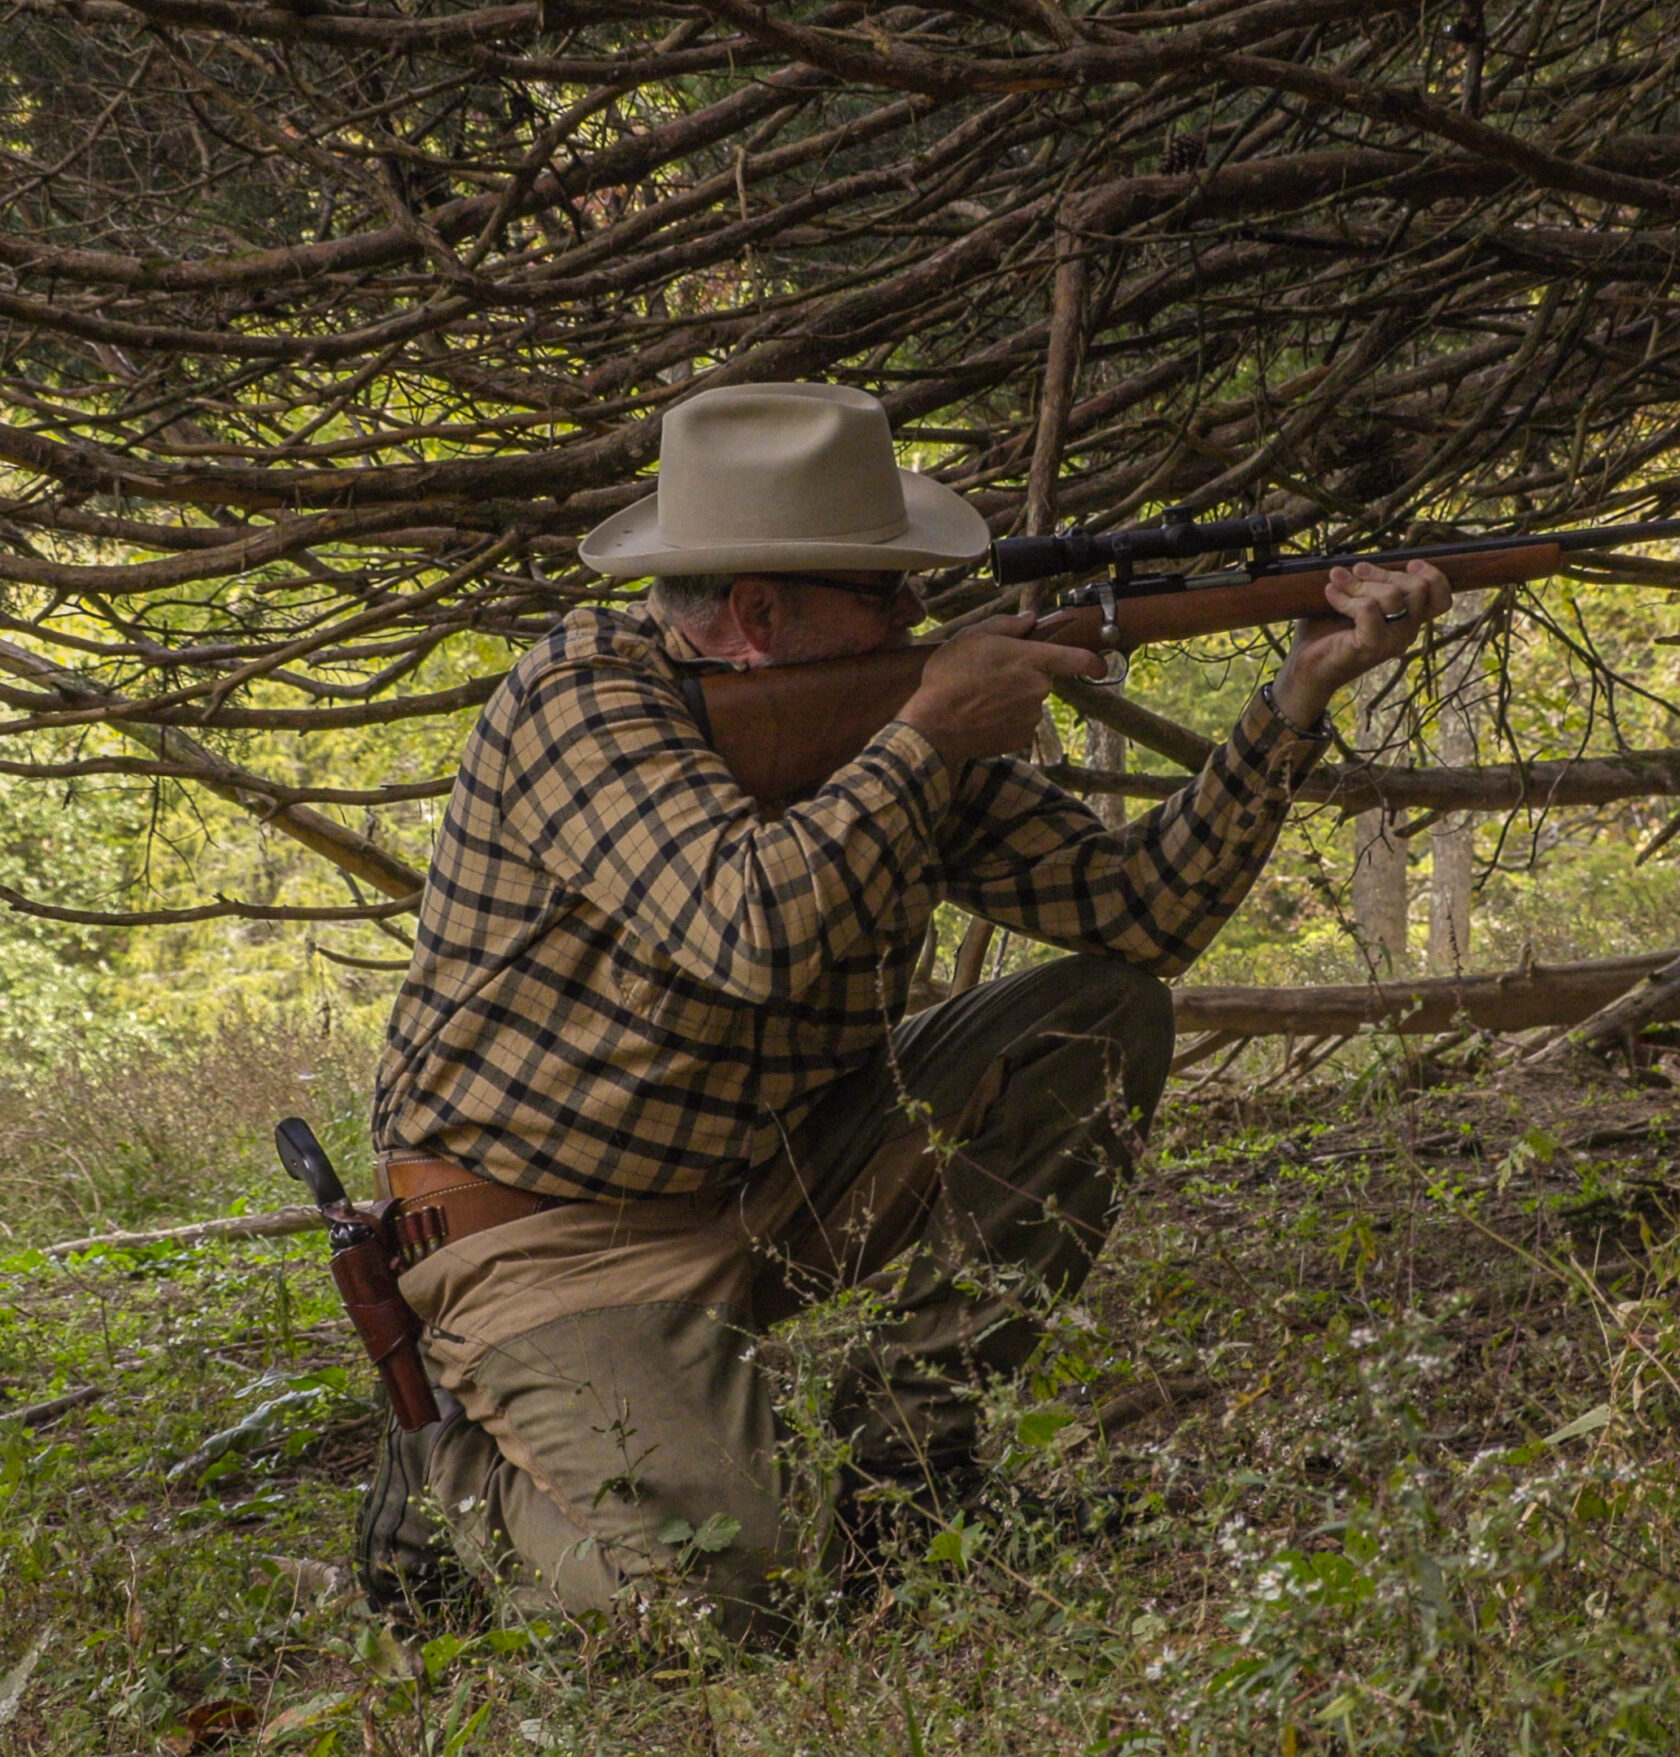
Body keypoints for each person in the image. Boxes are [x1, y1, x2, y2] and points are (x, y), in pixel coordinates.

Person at [358, 381, 1450, 1634]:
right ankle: (455, 1487)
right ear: (760, 612)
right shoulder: (581, 697)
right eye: (887, 594)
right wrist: (926, 737)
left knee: (1097, 1014)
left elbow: (1142, 912)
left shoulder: (874, 722)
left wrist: (1299, 692)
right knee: (728, 1593)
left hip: (774, 1166)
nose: (918, 620)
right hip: (541, 1230)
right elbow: (749, 929)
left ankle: (910, 1480)